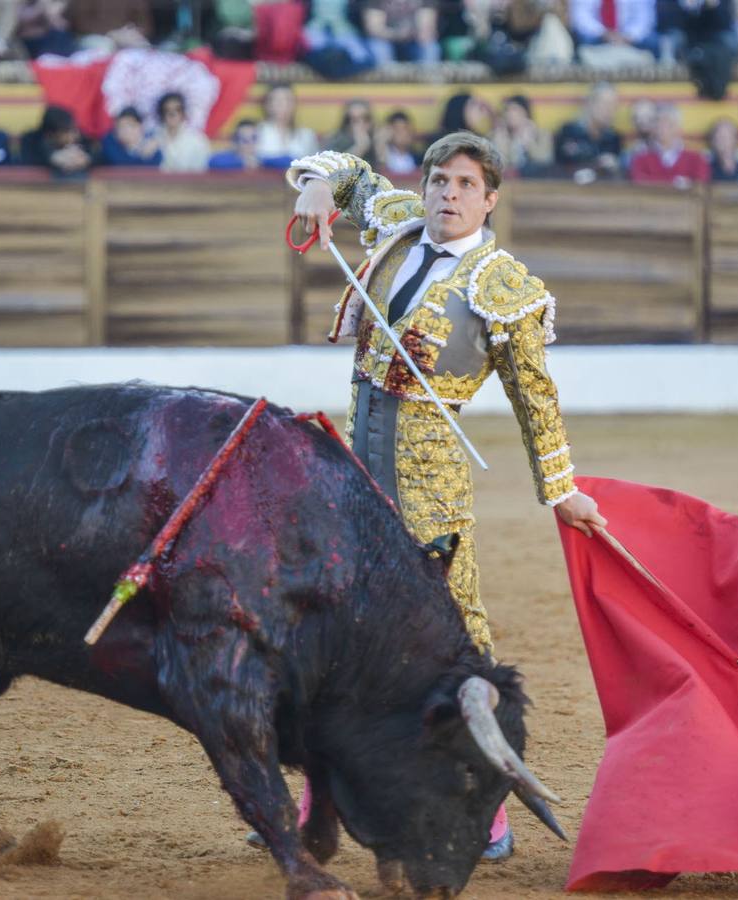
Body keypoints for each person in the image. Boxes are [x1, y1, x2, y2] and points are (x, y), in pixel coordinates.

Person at [284, 132, 605, 861]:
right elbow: (347, 169)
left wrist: (562, 492)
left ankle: (485, 804)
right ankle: (322, 802)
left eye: (464, 184)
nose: (447, 194)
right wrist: (315, 184)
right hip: (354, 471)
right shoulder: (397, 224)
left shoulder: (504, 286)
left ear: (489, 200)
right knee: (334, 626)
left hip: (430, 486)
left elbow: (536, 399)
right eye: (438, 180)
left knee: (453, 640)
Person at [628, 103, 710, 186]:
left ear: (679, 128)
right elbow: (639, 183)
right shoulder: (641, 159)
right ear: (654, 128)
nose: (663, 128)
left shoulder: (696, 159)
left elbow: (700, 185)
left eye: (669, 124)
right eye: (659, 123)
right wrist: (677, 182)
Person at [553, 81, 622, 180]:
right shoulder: (568, 132)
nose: (610, 110)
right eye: (605, 104)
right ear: (590, 103)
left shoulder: (614, 138)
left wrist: (614, 167)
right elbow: (559, 167)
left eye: (614, 106)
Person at [19, 105, 92, 178]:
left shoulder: (81, 139)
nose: (74, 135)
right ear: (50, 135)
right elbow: (27, 163)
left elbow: (96, 157)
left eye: (73, 130)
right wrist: (52, 159)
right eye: (66, 132)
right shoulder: (31, 140)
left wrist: (86, 159)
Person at [255, 84, 318, 167]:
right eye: (277, 101)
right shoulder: (257, 132)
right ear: (267, 105)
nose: (283, 105)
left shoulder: (307, 134)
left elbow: (315, 166)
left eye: (288, 100)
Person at [490, 94, 553, 178]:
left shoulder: (541, 135)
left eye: (515, 110)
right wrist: (502, 143)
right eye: (507, 110)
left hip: (537, 182)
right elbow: (499, 166)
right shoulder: (499, 135)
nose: (510, 115)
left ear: (526, 113)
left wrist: (529, 143)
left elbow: (545, 161)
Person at [361, 0, 443, 63]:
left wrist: (418, 33)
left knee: (430, 47)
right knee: (378, 46)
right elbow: (374, 29)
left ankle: (429, 82)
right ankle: (386, 82)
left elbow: (426, 28)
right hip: (386, 39)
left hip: (413, 41)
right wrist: (398, 34)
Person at [568, 0, 657, 51]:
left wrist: (629, 36)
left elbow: (645, 18)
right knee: (583, 40)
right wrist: (603, 34)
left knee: (654, 41)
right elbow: (580, 17)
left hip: (629, 38)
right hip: (598, 37)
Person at [156, 92, 210, 173]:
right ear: (161, 114)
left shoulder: (198, 140)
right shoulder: (153, 137)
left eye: (177, 110)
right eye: (167, 110)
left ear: (183, 113)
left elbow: (202, 169)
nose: (172, 114)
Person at [97, 107, 161, 167]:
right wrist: (143, 158)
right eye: (122, 126)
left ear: (141, 127)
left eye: (131, 126)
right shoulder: (109, 144)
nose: (127, 130)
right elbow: (119, 162)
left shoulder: (152, 146)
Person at [325, 99, 378, 168]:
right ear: (346, 122)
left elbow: (384, 169)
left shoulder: (378, 137)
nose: (360, 123)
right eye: (354, 119)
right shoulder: (335, 140)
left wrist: (380, 145)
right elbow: (333, 169)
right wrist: (360, 147)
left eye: (365, 118)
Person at [705, 117, 738, 182]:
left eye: (728, 135)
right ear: (712, 140)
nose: (724, 140)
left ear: (736, 139)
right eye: (719, 136)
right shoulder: (705, 171)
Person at [377, 109, 423, 174]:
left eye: (406, 129)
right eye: (398, 129)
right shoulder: (383, 155)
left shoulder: (419, 158)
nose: (404, 134)